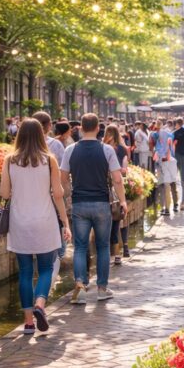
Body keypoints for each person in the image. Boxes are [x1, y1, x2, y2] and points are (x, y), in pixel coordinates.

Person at [0, 118, 71, 335]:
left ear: (19, 135)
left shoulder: (9, 160)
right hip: (45, 220)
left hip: (19, 222)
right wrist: (65, 222)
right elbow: (58, 195)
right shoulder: (48, 160)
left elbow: (4, 194)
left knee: (25, 272)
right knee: (47, 268)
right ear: (42, 135)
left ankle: (28, 323)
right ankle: (41, 304)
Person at [60, 113, 127, 304]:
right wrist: (122, 201)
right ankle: (102, 288)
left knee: (80, 247)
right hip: (101, 204)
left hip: (79, 204)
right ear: (98, 128)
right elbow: (117, 178)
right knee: (103, 246)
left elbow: (63, 178)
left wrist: (69, 195)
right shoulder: (107, 150)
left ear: (80, 127)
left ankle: (80, 287)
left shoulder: (70, 150)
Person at [104, 126, 131, 264]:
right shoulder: (122, 149)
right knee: (119, 218)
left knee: (109, 222)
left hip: (106, 187)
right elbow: (125, 167)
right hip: (118, 185)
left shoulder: (103, 148)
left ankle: (111, 253)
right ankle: (121, 250)